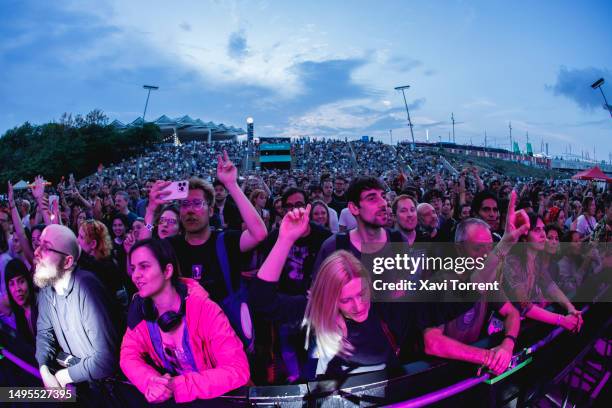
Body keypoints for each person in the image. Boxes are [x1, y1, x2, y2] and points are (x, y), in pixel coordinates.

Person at [250, 206, 466, 380]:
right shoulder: (316, 311)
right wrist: (285, 239)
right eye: (345, 300)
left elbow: (441, 307)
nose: (358, 305)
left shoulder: (389, 307)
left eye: (362, 294)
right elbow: (263, 301)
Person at [120, 239, 249, 403]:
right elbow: (128, 356)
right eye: (133, 268)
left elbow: (238, 369)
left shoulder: (204, 309)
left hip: (214, 400)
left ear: (167, 271)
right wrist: (150, 381)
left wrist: (176, 386)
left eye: (144, 266)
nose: (135, 275)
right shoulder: (140, 311)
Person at [144, 151, 267, 304]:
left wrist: (232, 185)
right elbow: (143, 257)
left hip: (225, 323)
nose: (189, 210)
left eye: (196, 203)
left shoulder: (225, 241)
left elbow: (259, 233)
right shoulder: (171, 245)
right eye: (185, 204)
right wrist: (150, 211)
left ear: (210, 211)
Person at [424, 218, 521, 376]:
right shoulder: (442, 282)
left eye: (490, 248)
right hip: (439, 373)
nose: (485, 255)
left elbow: (512, 313)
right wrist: (488, 357)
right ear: (460, 249)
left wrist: (508, 344)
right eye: (477, 248)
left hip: (471, 367)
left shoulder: (488, 280)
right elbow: (432, 342)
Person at [35, 225, 119, 398]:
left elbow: (106, 359)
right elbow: (45, 334)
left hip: (109, 393)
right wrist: (44, 368)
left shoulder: (88, 287)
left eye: (46, 247)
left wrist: (63, 376)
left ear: (67, 262)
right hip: (85, 388)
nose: (36, 252)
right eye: (39, 244)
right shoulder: (46, 289)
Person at [502, 213, 583, 333]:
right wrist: (561, 320)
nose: (543, 234)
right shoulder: (512, 261)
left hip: (524, 325)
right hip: (503, 329)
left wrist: (571, 308)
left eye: (543, 229)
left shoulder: (536, 261)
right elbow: (524, 306)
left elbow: (551, 287)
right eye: (536, 230)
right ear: (524, 237)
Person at [4, 259, 38, 344]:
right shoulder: (19, 311)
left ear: (28, 281)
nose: (17, 289)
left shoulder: (40, 306)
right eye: (12, 284)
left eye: (21, 281)